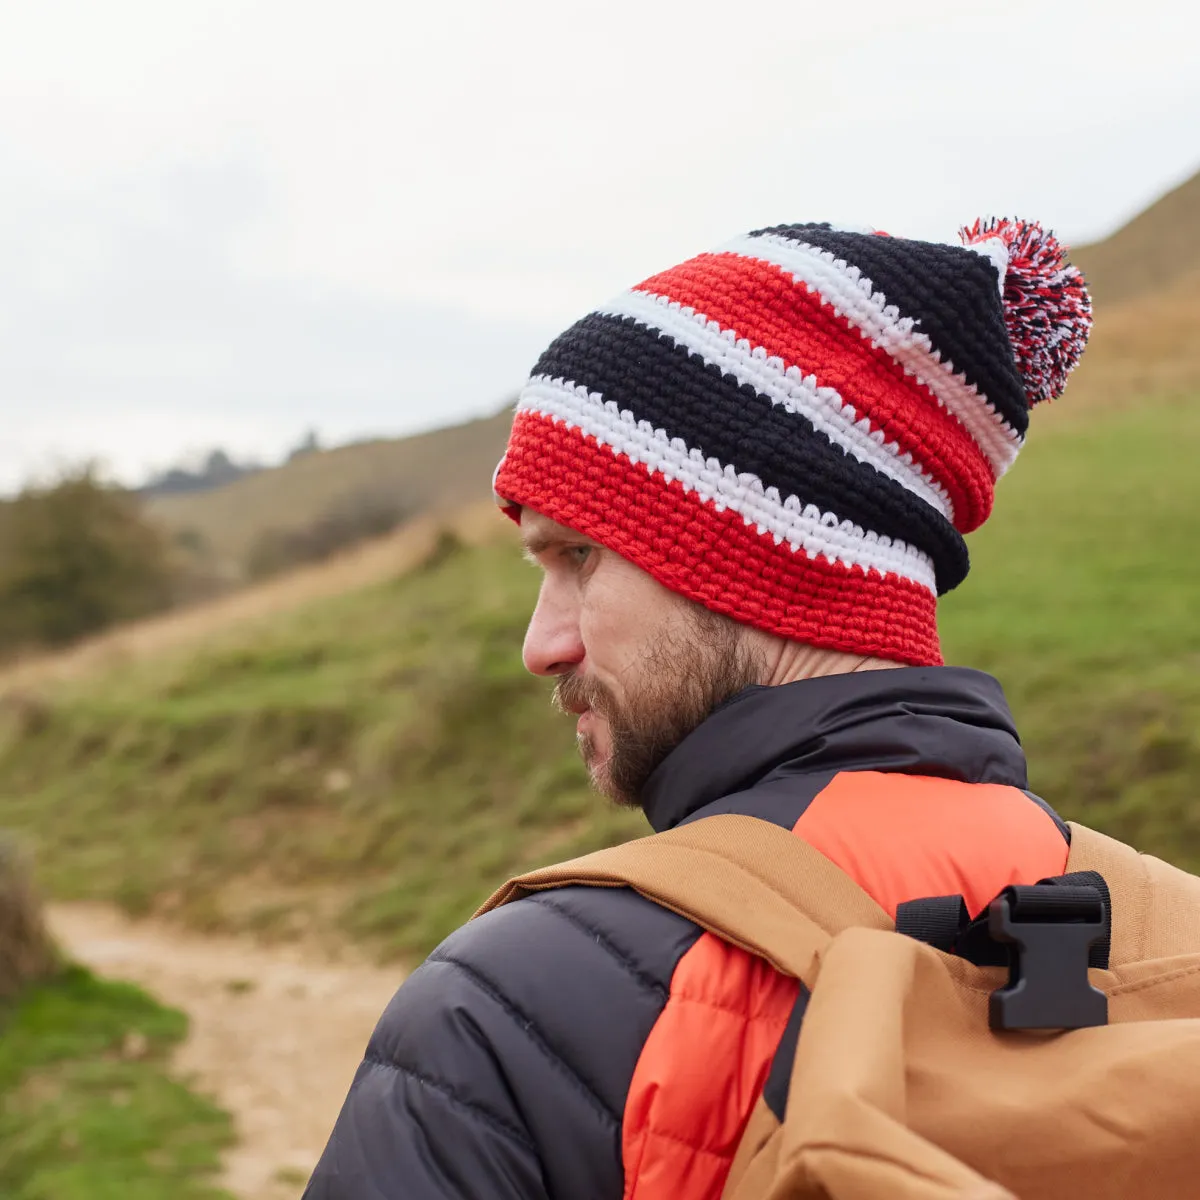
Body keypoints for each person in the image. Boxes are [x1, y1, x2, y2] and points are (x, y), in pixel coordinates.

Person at [303, 217, 1093, 1198]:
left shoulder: (511, 1010)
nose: (539, 644)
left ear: (753, 559)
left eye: (577, 556)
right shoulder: (1157, 936)